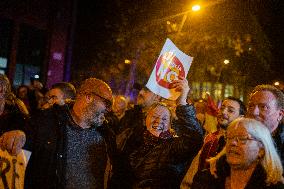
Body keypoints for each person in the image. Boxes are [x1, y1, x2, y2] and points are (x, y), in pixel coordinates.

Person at [10, 77, 117, 189]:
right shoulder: (48, 122)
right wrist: (19, 135)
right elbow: (22, 160)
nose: (109, 109)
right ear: (88, 97)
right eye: (107, 103)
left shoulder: (107, 135)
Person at [112, 78, 203, 189]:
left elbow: (195, 138)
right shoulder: (133, 141)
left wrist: (182, 101)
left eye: (164, 119)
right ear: (146, 119)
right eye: (154, 116)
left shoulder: (174, 147)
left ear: (170, 125)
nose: (159, 121)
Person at [191, 117, 284, 189]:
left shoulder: (274, 186)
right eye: (230, 138)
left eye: (243, 138)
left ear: (261, 150)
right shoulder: (205, 179)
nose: (233, 143)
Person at [181, 96, 245, 188]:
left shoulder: (243, 144)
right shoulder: (210, 138)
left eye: (230, 111)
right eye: (222, 108)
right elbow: (192, 173)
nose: (223, 112)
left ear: (241, 117)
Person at [246, 84, 284, 165]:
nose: (254, 112)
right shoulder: (237, 137)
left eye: (263, 107)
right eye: (251, 106)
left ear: (280, 115)